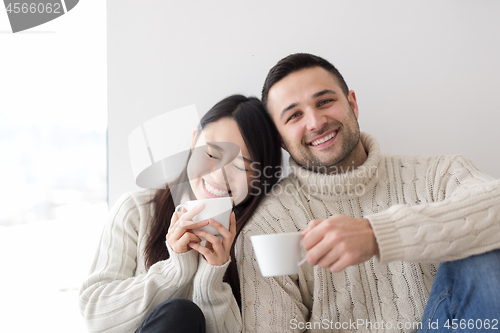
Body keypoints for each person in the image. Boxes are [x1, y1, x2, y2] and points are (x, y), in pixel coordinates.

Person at [235, 53, 500, 332]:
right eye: (294, 115)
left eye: (325, 101)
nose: (315, 122)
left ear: (352, 104)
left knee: (483, 249)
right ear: (281, 141)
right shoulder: (268, 226)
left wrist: (378, 234)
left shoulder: (438, 174)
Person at [79, 95, 282, 333]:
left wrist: (211, 278)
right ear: (194, 141)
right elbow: (95, 316)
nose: (220, 176)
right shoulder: (136, 212)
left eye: (240, 166)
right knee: (181, 312)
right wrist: (174, 271)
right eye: (212, 155)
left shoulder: (259, 237)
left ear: (260, 178)